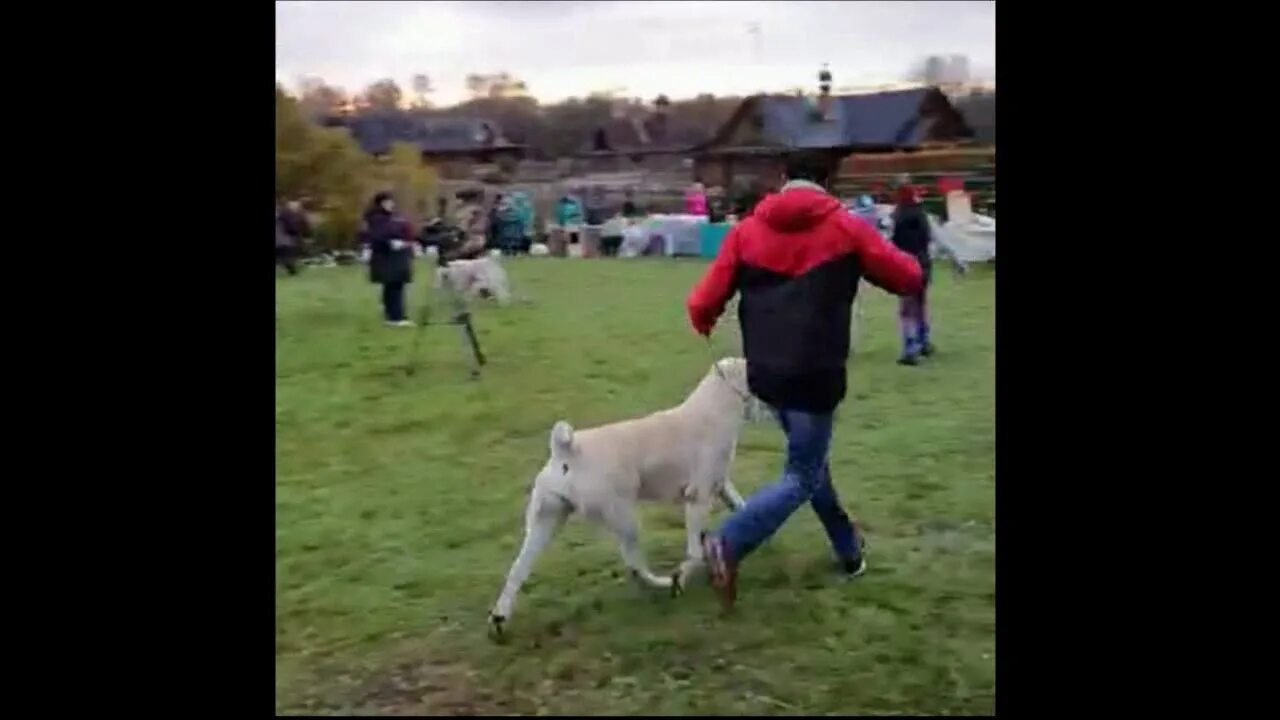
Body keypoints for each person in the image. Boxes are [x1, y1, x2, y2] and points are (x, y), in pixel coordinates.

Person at [685, 150, 924, 611]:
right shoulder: (847, 227)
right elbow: (907, 277)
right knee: (802, 473)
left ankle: (848, 549)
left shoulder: (747, 231)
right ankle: (728, 542)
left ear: (782, 178)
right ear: (828, 179)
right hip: (817, 374)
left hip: (767, 375)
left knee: (811, 461)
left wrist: (705, 320)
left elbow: (703, 300)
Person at [890, 181, 935, 365]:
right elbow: (931, 238)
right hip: (923, 263)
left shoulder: (896, 217)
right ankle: (924, 341)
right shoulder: (922, 216)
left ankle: (910, 349)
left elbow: (890, 243)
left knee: (906, 309)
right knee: (921, 304)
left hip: (904, 264)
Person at [362, 191, 415, 327]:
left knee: (393, 285)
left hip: (393, 256)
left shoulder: (389, 218)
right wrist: (393, 240)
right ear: (381, 203)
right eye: (388, 202)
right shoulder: (377, 218)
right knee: (394, 285)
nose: (392, 204)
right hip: (387, 256)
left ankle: (393, 315)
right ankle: (396, 317)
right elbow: (381, 235)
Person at [275, 199, 311, 275]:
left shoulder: (284, 213)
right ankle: (291, 268)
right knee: (286, 255)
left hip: (284, 239)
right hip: (284, 239)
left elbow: (295, 226)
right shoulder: (284, 213)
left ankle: (291, 267)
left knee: (286, 255)